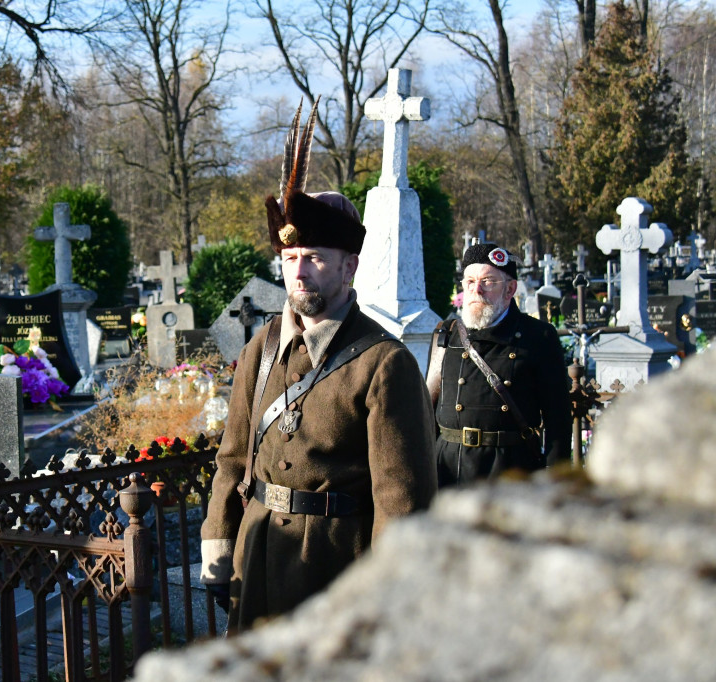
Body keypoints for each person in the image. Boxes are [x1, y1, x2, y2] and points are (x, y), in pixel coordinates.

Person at [199, 102, 437, 633]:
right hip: (255, 558)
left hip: (338, 571)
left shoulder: (384, 363)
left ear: (349, 266)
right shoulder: (261, 348)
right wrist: (218, 553)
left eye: (314, 258)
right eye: (289, 259)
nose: (299, 273)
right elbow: (233, 458)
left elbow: (401, 497)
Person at [428, 243, 572, 486]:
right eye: (470, 281)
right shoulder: (446, 334)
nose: (477, 290)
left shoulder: (537, 336)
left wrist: (555, 480)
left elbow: (558, 418)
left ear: (510, 289)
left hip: (509, 471)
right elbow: (427, 406)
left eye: (488, 281)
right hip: (448, 470)